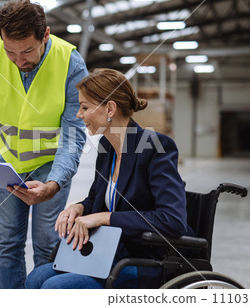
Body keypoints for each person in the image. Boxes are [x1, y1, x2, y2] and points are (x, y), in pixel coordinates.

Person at [0, 0, 87, 289]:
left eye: (27, 51)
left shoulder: (70, 62)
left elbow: (74, 131)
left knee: (48, 244)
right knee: (9, 243)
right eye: (11, 52)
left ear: (45, 35)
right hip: (6, 162)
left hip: (51, 166)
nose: (19, 60)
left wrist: (55, 183)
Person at [25, 68, 191, 289]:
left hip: (147, 259)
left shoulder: (155, 147)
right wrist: (79, 208)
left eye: (84, 107)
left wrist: (105, 218)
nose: (78, 114)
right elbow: (96, 198)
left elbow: (172, 221)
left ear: (110, 108)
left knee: (55, 288)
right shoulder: (107, 147)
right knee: (36, 278)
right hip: (110, 253)